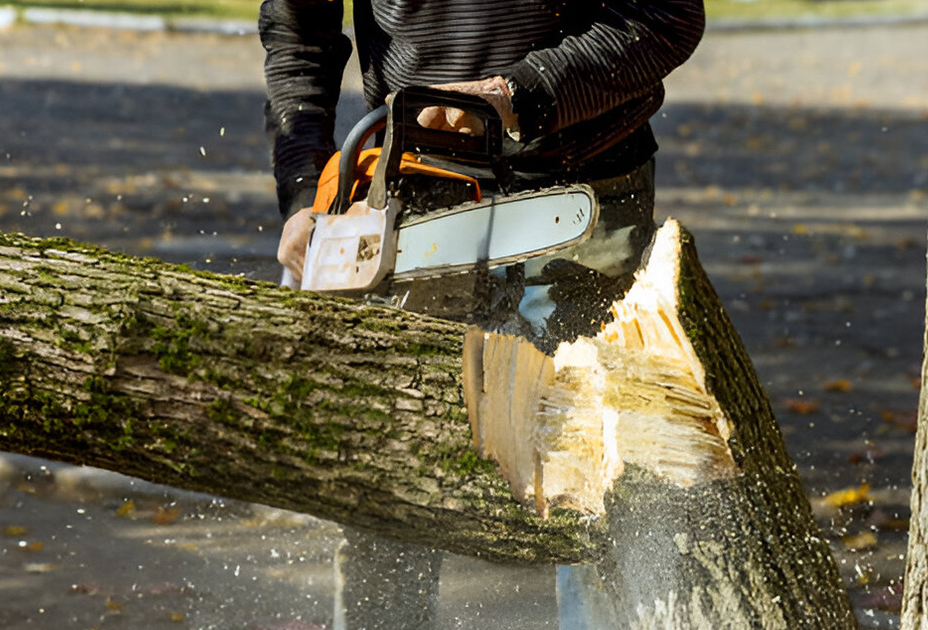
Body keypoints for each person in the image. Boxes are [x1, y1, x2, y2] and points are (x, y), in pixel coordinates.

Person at [260, 0, 705, 626]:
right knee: (393, 480)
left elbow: (664, 17)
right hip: (413, 186)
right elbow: (299, 31)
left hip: (585, 184)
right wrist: (306, 190)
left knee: (600, 481)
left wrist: (518, 94)